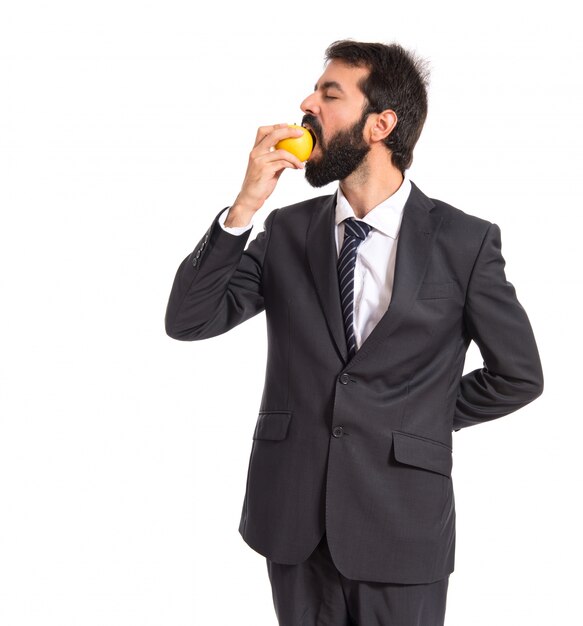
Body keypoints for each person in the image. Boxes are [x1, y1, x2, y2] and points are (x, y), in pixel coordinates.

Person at [165, 40, 544, 626]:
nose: (306, 103)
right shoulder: (287, 231)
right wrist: (245, 206)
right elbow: (189, 320)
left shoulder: (465, 243)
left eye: (329, 93)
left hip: (401, 523)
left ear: (381, 124)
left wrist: (420, 417)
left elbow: (518, 375)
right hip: (293, 520)